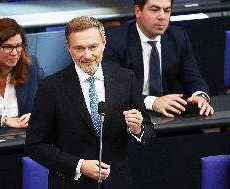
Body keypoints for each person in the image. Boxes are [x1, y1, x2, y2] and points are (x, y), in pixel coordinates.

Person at [25, 16, 154, 189]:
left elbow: (148, 131)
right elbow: (35, 145)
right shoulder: (51, 87)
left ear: (104, 43)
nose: (87, 55)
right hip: (71, 184)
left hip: (117, 183)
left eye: (93, 47)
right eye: (79, 48)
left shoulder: (125, 78)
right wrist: (79, 165)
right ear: (68, 47)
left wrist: (137, 129)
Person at [103, 0, 214, 118]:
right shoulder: (114, 41)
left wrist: (200, 96)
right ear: (138, 11)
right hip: (127, 116)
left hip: (167, 115)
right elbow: (113, 89)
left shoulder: (178, 37)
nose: (162, 17)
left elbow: (193, 78)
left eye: (167, 11)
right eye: (155, 10)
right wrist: (152, 102)